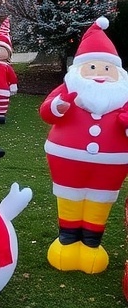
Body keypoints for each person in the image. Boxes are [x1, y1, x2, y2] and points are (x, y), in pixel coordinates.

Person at [39, 16, 128, 274]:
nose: (100, 75)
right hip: (67, 162)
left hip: (110, 168)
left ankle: (91, 242)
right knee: (70, 197)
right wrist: (57, 107)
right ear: (79, 69)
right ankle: (67, 238)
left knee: (100, 201)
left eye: (106, 69)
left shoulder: (123, 96)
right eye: (92, 68)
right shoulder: (68, 89)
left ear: (118, 73)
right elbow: (46, 111)